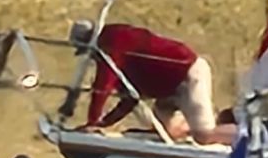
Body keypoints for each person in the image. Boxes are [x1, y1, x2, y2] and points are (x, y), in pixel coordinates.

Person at [69, 20, 237, 146]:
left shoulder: (112, 42)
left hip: (187, 75)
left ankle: (245, 136)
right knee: (168, 133)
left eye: (88, 53)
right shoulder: (119, 56)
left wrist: (92, 122)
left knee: (204, 135)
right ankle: (215, 125)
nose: (92, 58)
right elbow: (130, 98)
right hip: (168, 89)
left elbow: (103, 85)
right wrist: (103, 124)